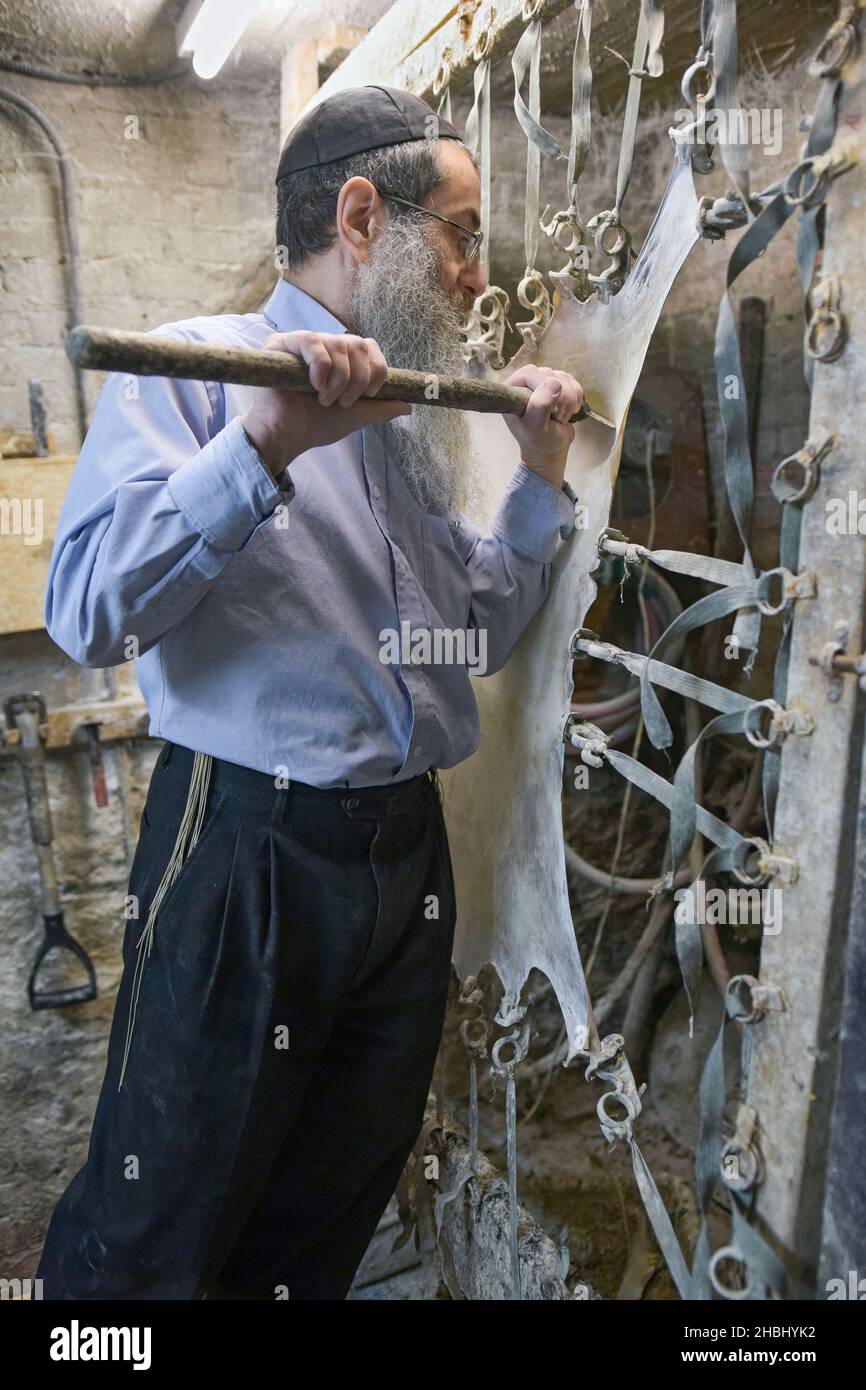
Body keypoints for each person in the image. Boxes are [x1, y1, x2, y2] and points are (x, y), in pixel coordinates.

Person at [36, 84, 585, 1300]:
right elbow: (85, 614)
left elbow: (474, 634)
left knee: (328, 1199)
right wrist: (264, 446)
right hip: (248, 845)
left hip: (401, 854)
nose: (471, 274)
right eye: (458, 232)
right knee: (157, 1216)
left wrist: (539, 479)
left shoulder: (410, 416)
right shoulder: (197, 371)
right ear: (358, 216)